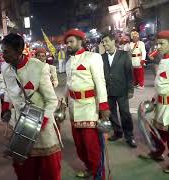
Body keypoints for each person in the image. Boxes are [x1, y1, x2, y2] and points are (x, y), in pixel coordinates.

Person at [0, 33, 62, 180]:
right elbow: (9, 92)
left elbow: (52, 100)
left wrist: (42, 122)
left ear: (19, 50)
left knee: (50, 172)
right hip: (19, 126)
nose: (3, 55)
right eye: (2, 51)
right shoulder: (5, 69)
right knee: (24, 172)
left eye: (6, 51)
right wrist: (6, 107)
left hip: (42, 129)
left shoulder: (38, 67)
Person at [64, 29, 110, 179]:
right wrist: (62, 104)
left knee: (92, 146)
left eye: (71, 41)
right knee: (80, 145)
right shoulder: (69, 61)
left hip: (89, 108)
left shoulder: (93, 57)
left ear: (80, 41)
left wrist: (103, 107)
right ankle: (90, 168)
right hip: (73, 108)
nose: (68, 45)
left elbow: (100, 83)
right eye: (67, 43)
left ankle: (99, 175)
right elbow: (68, 84)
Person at [140, 30, 169, 173]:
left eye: (161, 43)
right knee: (156, 131)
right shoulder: (163, 59)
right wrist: (154, 99)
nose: (158, 46)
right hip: (160, 104)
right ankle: (158, 152)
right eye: (157, 43)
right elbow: (161, 84)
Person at [101, 32, 137, 148]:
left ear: (113, 41)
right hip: (108, 91)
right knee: (111, 114)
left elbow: (129, 73)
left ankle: (129, 136)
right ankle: (118, 132)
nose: (104, 44)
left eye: (106, 41)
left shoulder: (124, 55)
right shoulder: (101, 57)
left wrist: (130, 89)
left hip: (122, 90)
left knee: (125, 113)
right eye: (103, 42)